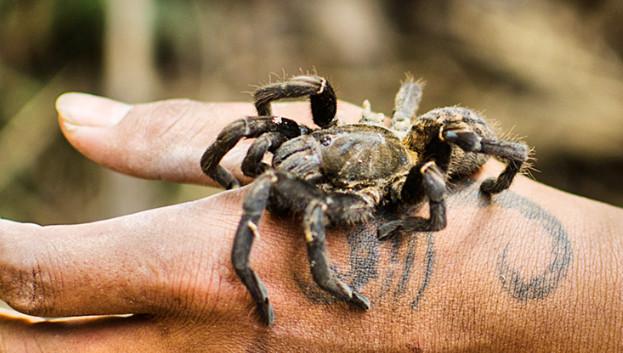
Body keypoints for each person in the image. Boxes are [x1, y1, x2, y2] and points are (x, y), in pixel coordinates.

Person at [0, 93, 621, 352]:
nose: (279, 147)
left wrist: (422, 228)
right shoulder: (309, 136)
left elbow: (435, 193)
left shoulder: (411, 168)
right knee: (262, 143)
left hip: (388, 170)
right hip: (359, 140)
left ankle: (295, 282)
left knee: (318, 198)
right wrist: (252, 135)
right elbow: (257, 125)